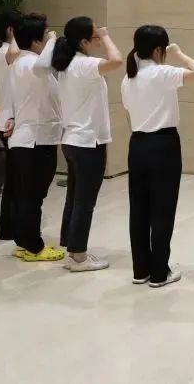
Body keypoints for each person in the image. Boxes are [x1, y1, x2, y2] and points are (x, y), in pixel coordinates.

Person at [34, 17, 124, 273]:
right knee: (85, 202)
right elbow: (116, 61)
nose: (99, 40)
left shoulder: (68, 64)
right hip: (87, 143)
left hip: (72, 141)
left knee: (75, 199)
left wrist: (98, 35)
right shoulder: (84, 64)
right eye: (95, 37)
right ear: (84, 41)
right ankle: (78, 257)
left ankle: (73, 248)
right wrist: (107, 36)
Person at [121, 25, 194, 288]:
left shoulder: (128, 79)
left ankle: (140, 270)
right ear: (159, 49)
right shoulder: (161, 73)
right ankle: (159, 272)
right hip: (163, 145)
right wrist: (179, 54)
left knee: (139, 210)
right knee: (162, 209)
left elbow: (129, 115)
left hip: (137, 144)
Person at [7, 13, 64, 262]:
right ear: (35, 41)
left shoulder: (20, 63)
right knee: (33, 196)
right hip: (35, 141)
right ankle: (34, 247)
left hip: (27, 139)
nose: (49, 39)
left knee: (26, 195)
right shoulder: (32, 65)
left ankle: (23, 241)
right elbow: (43, 66)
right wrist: (52, 41)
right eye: (45, 36)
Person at [0, 10, 22, 242]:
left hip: (9, 120)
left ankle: (9, 228)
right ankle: (10, 228)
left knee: (14, 179)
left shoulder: (6, 52)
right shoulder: (7, 52)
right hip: (10, 122)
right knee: (15, 181)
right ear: (11, 30)